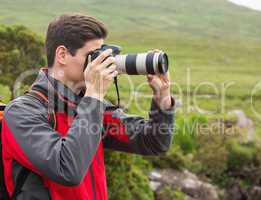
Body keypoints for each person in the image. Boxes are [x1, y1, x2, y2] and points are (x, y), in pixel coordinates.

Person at [1, 14, 175, 200]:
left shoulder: (88, 106)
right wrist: (94, 95)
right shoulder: (22, 113)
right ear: (62, 55)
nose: (99, 64)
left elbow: (154, 142)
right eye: (92, 56)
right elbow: (67, 169)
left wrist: (161, 98)